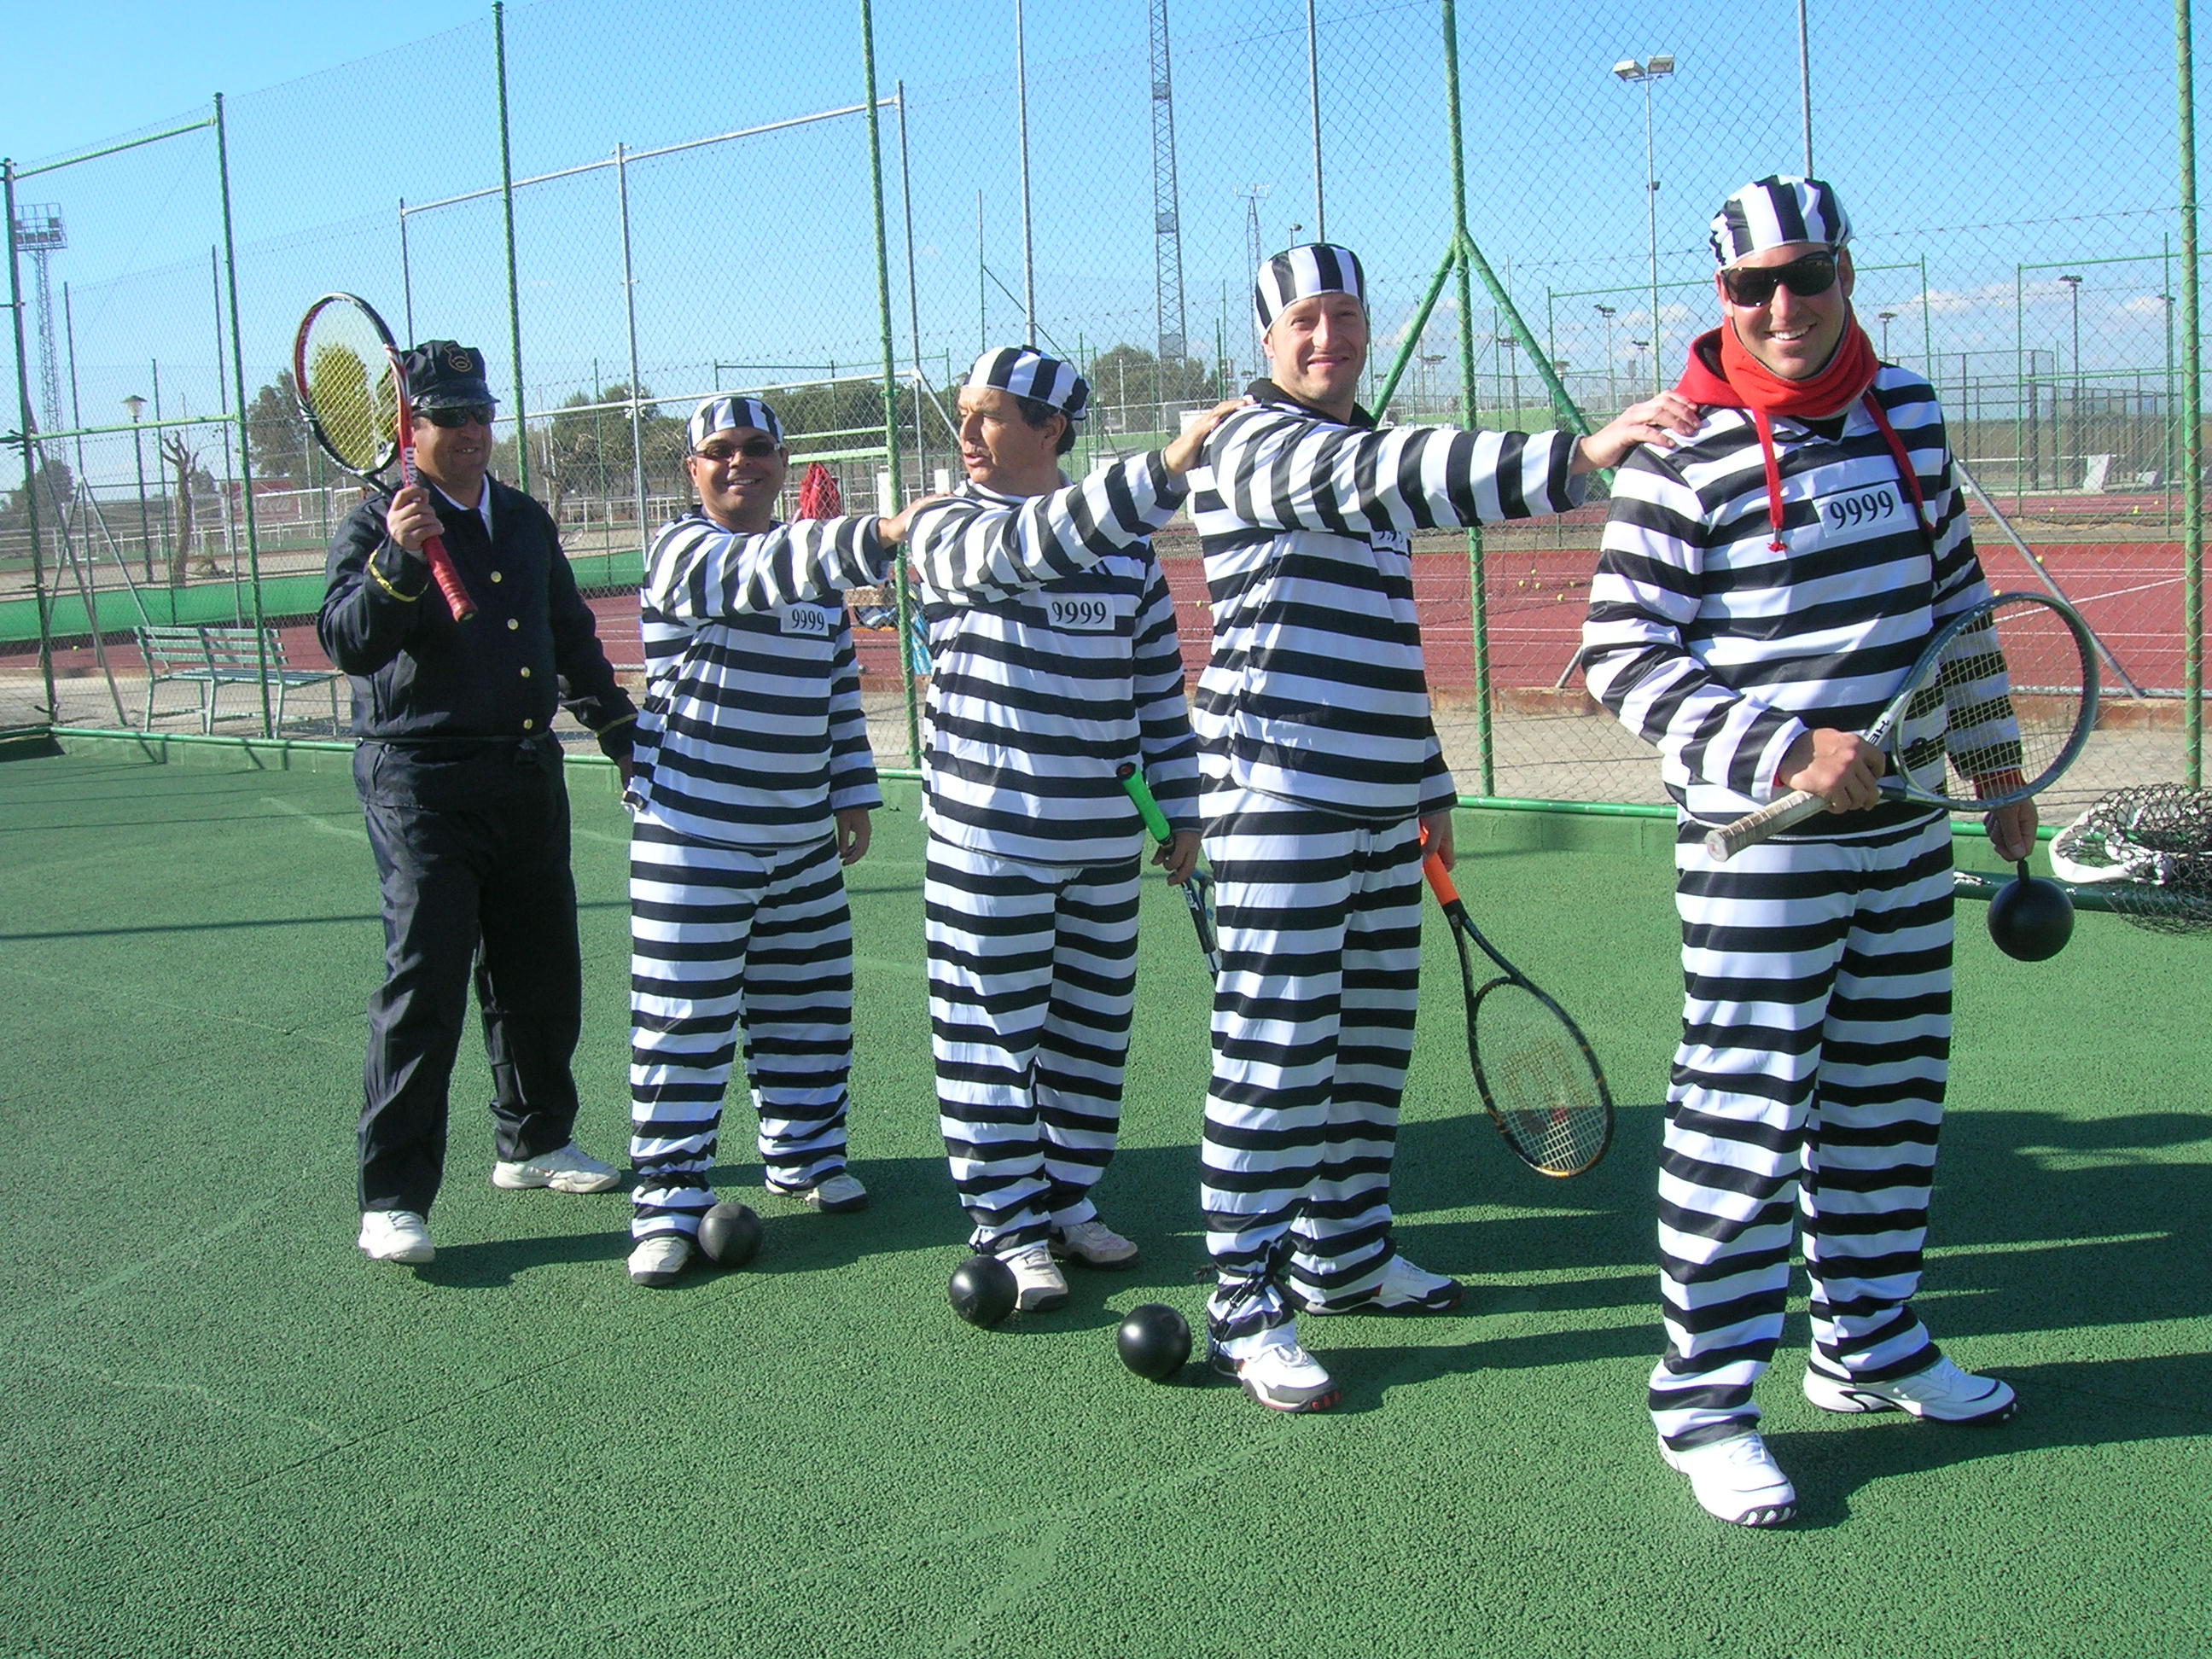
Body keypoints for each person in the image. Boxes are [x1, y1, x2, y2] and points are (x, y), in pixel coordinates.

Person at [1580, 177, 2029, 1529]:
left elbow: (1957, 608)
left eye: (1807, 275)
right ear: (1721, 298)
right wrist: (1785, 750)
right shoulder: (1680, 451)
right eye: (1752, 286)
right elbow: (1619, 654)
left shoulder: (1910, 414)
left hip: (1909, 829)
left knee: (1889, 1099)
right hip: (1759, 849)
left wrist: (1998, 768)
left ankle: (1868, 1344)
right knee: (1743, 1117)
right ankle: (1705, 1405)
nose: (1784, 306)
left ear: (1845, 274)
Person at [1185, 243, 1697, 1412]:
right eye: (1305, 320)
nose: (1330, 337)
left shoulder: (1359, 456)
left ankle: (1345, 1254)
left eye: (1346, 316)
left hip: (1379, 798)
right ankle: (1243, 1300)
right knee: (1274, 1051)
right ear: (1266, 338)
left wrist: (1429, 782)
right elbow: (1395, 470)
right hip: (1276, 796)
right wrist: (1576, 457)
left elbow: (1386, 636)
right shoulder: (1254, 443)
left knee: (1368, 1045)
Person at [318, 339, 637, 1267]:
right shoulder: (376, 524)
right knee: (424, 982)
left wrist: (621, 734)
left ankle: (534, 1141)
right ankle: (391, 1198)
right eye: (448, 417)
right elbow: (348, 643)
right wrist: (398, 561)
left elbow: (570, 637)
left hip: (525, 773)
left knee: (541, 971)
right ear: (407, 430)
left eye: (481, 414)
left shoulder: (525, 520)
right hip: (421, 785)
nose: (470, 431)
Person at [909, 347, 1205, 1313]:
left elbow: (1156, 689)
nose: (965, 431)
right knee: (991, 1035)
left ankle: (1068, 1197)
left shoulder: (1130, 553)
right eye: (963, 411)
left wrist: (1181, 805)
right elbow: (1024, 550)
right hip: (987, 838)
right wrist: (1165, 469)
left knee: (1090, 1032)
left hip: (1102, 843)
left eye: (989, 414)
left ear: (1051, 429)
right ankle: (1008, 1223)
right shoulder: (947, 526)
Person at [622, 396, 914, 1285]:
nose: (739, 462)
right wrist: (884, 532)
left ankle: (805, 1154)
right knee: (684, 1020)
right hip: (693, 831)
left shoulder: (811, 572)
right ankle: (668, 1199)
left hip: (798, 834)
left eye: (758, 448)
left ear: (783, 464)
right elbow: (757, 571)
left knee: (810, 1001)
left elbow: (836, 690)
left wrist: (850, 793)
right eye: (720, 450)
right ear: (692, 470)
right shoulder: (684, 551)